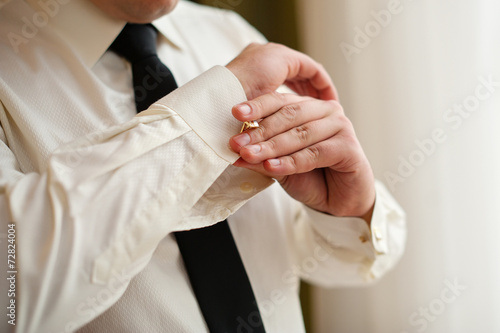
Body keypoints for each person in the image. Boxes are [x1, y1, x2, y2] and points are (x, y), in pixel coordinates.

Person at [0, 0, 406, 332]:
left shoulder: (229, 33)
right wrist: (212, 107)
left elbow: (338, 263)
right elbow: (15, 296)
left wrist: (346, 211)